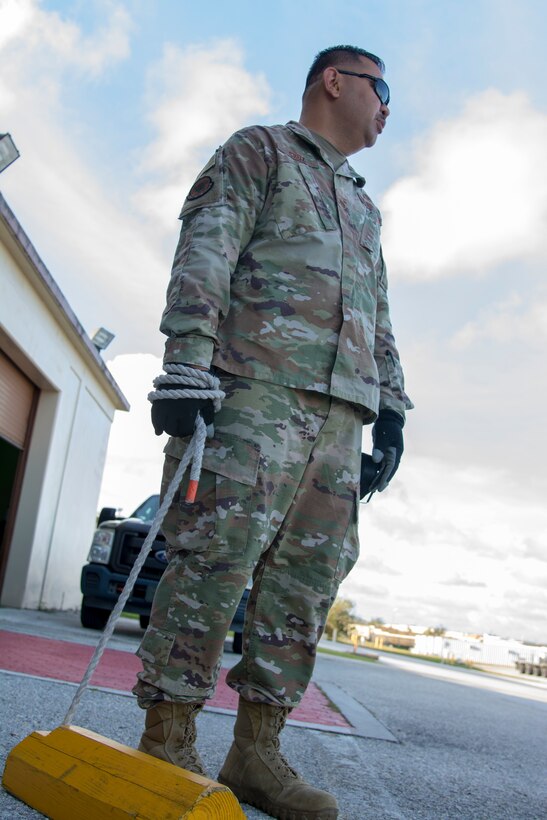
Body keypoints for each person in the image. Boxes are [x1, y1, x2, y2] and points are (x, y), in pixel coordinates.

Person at [133, 44, 413, 820]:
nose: (387, 110)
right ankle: (167, 737)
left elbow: (377, 312)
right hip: (251, 395)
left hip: (339, 419)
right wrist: (187, 364)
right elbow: (207, 251)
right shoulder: (259, 150)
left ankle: (256, 752)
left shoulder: (363, 204)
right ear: (336, 81)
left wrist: (389, 408)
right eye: (380, 90)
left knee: (304, 585)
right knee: (212, 560)